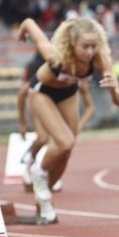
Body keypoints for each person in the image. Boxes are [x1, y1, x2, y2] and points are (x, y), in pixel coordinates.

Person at [17, 17, 119, 223]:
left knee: (66, 151)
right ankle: (38, 173)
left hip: (68, 94)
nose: (89, 52)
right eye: (84, 46)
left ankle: (43, 198)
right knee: (64, 141)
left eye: (93, 46)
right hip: (41, 92)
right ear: (72, 44)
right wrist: (23, 31)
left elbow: (118, 101)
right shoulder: (56, 57)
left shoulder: (100, 59)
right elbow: (31, 24)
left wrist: (114, 89)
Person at [18, 51, 96, 193]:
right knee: (42, 138)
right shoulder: (49, 75)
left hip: (61, 111)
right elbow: (22, 94)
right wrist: (22, 123)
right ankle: (30, 163)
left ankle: (49, 174)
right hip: (42, 104)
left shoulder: (78, 81)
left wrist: (79, 126)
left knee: (63, 144)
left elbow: (91, 106)